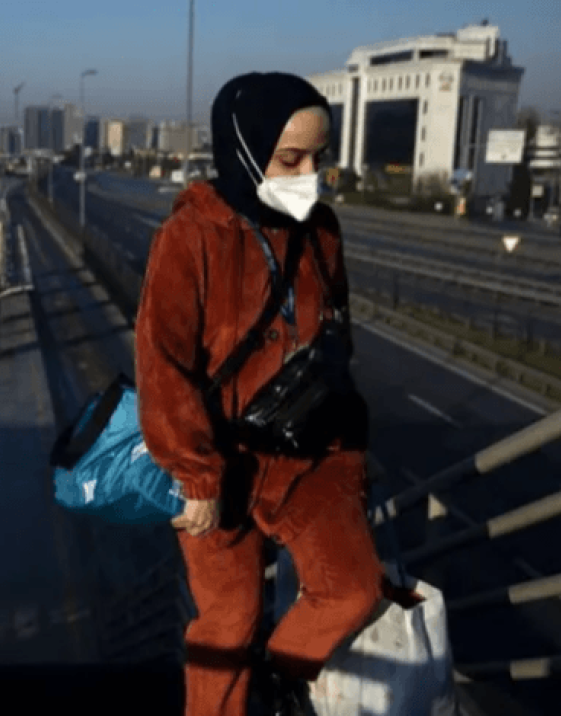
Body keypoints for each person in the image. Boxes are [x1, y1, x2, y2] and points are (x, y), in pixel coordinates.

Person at [135, 72, 385, 715]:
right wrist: (195, 475)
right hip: (219, 459)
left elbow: (336, 338)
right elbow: (162, 363)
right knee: (228, 623)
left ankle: (277, 683)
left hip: (308, 453)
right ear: (243, 153)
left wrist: (354, 449)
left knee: (352, 589)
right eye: (290, 159)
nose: (310, 176)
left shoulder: (321, 229)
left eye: (319, 159)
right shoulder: (191, 236)